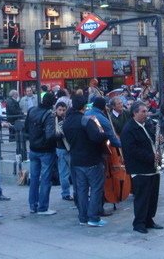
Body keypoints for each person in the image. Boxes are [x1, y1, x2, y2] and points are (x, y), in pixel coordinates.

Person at [63, 95, 108, 227]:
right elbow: (96, 137)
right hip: (91, 159)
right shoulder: (86, 120)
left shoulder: (67, 122)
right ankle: (93, 217)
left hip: (76, 159)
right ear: (84, 106)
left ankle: (82, 217)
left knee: (81, 190)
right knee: (96, 188)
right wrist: (105, 134)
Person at [120, 102, 163, 234]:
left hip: (152, 168)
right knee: (142, 198)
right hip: (140, 169)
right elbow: (132, 150)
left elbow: (151, 141)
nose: (146, 114)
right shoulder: (129, 129)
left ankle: (149, 220)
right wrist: (151, 156)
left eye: (146, 111)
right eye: (143, 112)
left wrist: (159, 141)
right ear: (135, 113)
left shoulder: (147, 125)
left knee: (152, 197)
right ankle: (139, 223)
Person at [27, 92, 57, 215]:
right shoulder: (49, 115)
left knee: (34, 178)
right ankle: (43, 207)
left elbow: (26, 128)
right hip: (45, 150)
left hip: (33, 149)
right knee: (45, 179)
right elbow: (50, 135)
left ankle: (33, 205)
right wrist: (60, 135)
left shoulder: (32, 110)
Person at [54, 101, 72, 201]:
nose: (61, 112)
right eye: (60, 110)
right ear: (56, 110)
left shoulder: (56, 119)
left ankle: (66, 193)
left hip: (63, 148)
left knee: (64, 173)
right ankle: (66, 193)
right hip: (62, 148)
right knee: (66, 173)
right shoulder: (55, 120)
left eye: (63, 110)